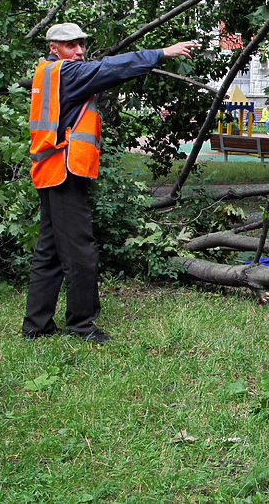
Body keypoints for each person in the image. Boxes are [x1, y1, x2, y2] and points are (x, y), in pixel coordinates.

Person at [23, 22, 198, 343]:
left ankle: (37, 325)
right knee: (80, 253)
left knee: (48, 252)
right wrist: (161, 53)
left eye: (81, 45)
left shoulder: (46, 73)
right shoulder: (67, 73)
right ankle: (81, 326)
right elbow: (113, 68)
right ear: (54, 48)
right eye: (71, 45)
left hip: (50, 171)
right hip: (64, 172)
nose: (79, 51)